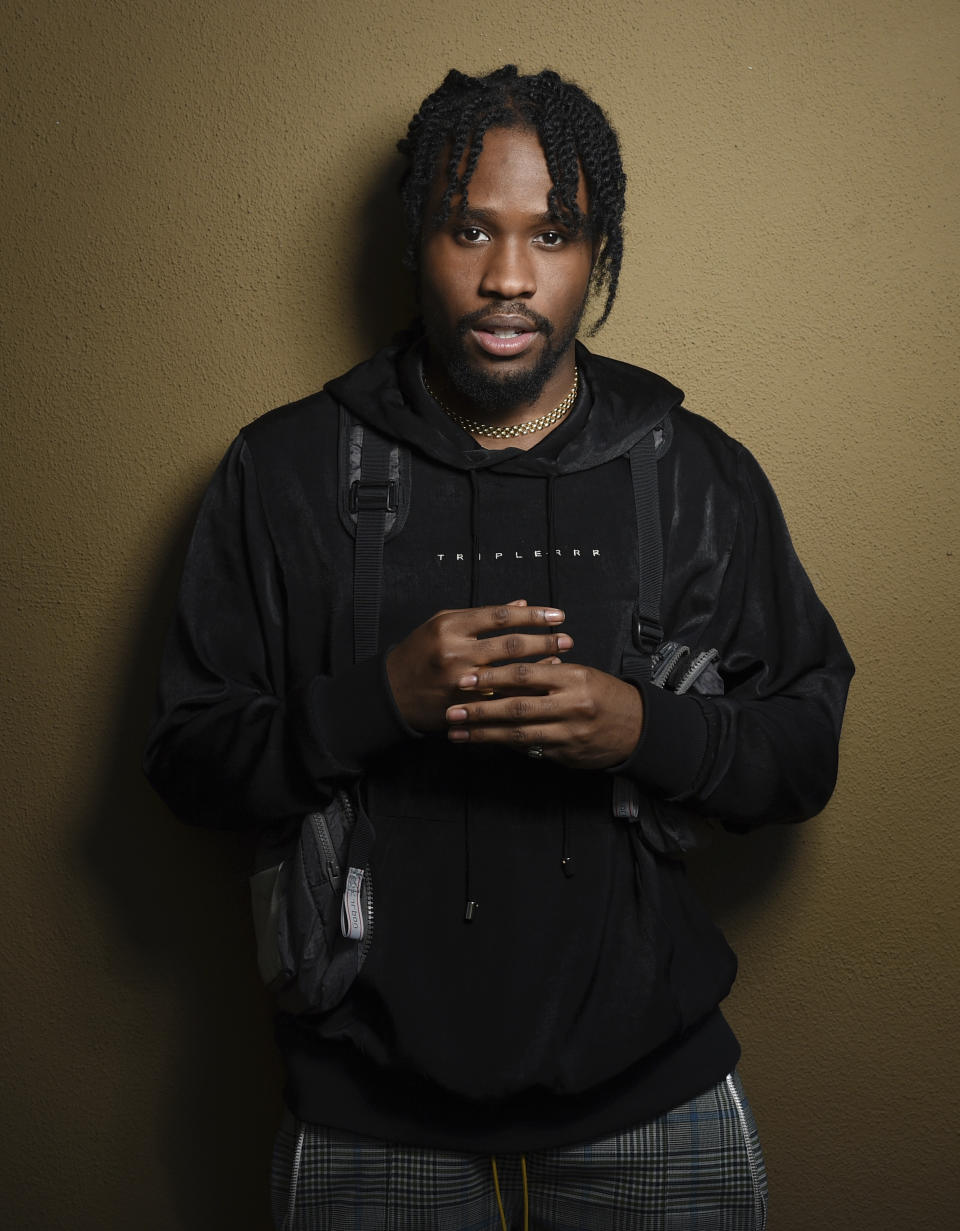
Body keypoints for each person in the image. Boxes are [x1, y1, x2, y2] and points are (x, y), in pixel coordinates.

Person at [144, 65, 853, 1231]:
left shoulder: (697, 474)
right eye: (470, 227)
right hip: (367, 1123)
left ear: (599, 251)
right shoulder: (282, 473)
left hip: (657, 1117)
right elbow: (186, 760)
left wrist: (644, 727)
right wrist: (376, 702)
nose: (509, 278)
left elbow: (806, 750)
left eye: (554, 234)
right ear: (419, 235)